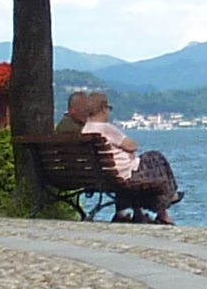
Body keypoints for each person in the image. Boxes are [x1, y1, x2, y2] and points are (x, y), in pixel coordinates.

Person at [66, 85, 183, 223]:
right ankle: (169, 199)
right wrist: (129, 153)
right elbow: (132, 145)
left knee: (152, 166)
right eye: (109, 109)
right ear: (103, 109)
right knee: (156, 158)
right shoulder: (106, 128)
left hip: (103, 175)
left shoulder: (85, 130)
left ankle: (154, 209)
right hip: (122, 175)